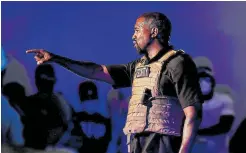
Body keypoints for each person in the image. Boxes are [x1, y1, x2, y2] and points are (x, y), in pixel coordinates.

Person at [26, 12, 203, 153]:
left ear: (154, 32)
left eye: (137, 30)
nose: (133, 36)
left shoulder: (178, 63)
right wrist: (56, 58)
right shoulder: (138, 67)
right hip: (137, 143)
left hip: (163, 143)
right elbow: (96, 71)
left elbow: (192, 114)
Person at [192, 56, 235, 153]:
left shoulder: (224, 100)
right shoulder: (188, 103)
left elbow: (225, 126)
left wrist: (197, 132)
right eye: (199, 79)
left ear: (212, 80)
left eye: (206, 78)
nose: (203, 82)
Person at [75, 80, 112, 153]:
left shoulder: (105, 121)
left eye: (92, 98)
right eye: (87, 99)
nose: (90, 101)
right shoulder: (76, 119)